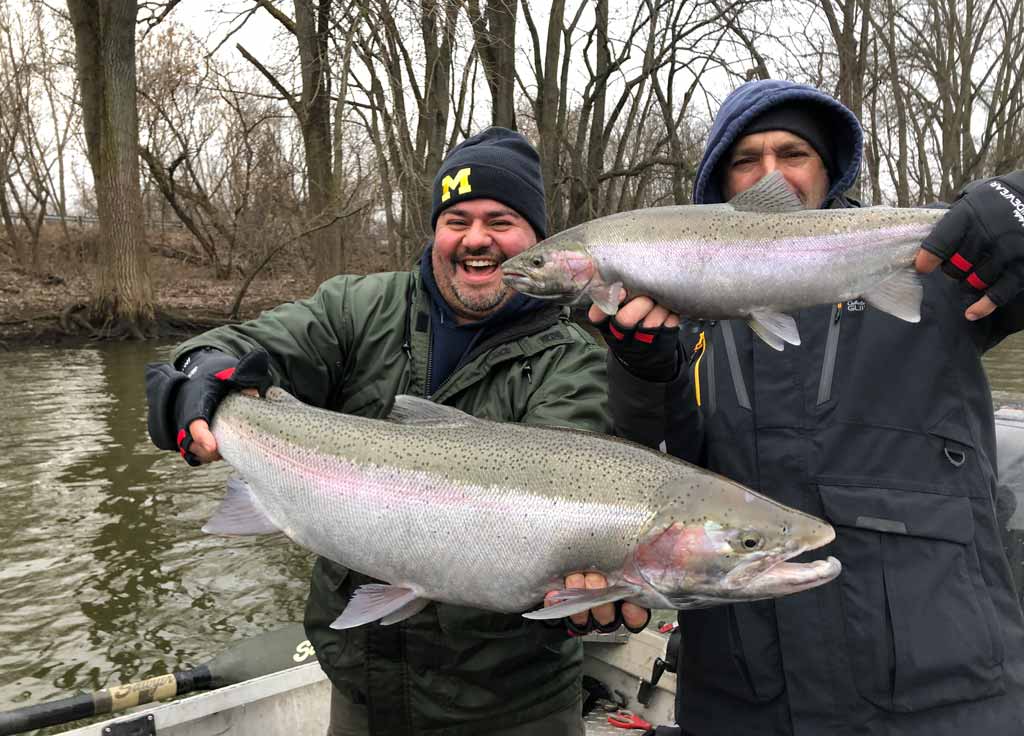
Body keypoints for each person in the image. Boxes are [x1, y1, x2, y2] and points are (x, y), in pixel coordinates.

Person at [144, 127, 643, 736]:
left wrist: (583, 595)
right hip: (364, 689)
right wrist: (197, 376)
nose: (477, 239)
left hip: (515, 704)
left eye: (502, 220)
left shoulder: (572, 360)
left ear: (537, 237)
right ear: (434, 230)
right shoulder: (356, 309)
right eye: (457, 219)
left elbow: (555, 512)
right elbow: (238, 349)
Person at [593, 79, 1024, 735]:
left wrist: (1020, 203)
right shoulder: (677, 317)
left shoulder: (939, 270)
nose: (772, 173)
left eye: (792, 152)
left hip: (948, 702)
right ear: (722, 187)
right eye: (746, 159)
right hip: (742, 705)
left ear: (829, 171)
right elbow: (656, 471)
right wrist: (642, 367)